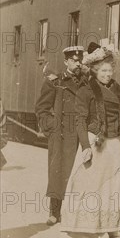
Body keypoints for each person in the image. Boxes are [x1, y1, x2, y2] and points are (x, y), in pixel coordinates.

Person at [61, 43, 120, 238]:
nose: (107, 74)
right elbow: (81, 120)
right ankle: (91, 229)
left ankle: (113, 224)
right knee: (95, 185)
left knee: (115, 185)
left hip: (115, 140)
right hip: (97, 140)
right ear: (95, 71)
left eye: (110, 70)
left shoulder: (117, 89)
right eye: (103, 70)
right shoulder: (86, 90)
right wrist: (86, 146)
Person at [35, 46, 87, 225]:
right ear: (66, 62)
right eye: (74, 60)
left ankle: (74, 212)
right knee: (58, 170)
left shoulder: (86, 81)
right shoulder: (55, 82)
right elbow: (41, 108)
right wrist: (52, 127)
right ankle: (54, 212)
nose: (78, 63)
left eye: (80, 60)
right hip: (61, 134)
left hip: (81, 133)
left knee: (78, 171)